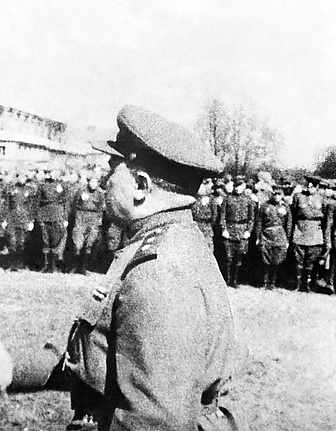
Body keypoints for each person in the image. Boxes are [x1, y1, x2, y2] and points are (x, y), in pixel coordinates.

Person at [63, 105, 241, 431]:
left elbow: (154, 421)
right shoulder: (164, 241)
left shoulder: (160, 274)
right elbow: (100, 360)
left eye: (113, 169)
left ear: (141, 186)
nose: (104, 181)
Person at [290, 175, 328, 292]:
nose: (310, 188)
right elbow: (293, 212)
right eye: (308, 186)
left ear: (317, 187)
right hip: (301, 228)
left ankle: (307, 285)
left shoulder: (321, 198)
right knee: (299, 257)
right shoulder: (298, 196)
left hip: (315, 230)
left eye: (313, 186)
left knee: (311, 258)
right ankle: (297, 284)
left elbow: (325, 216)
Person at [219, 176, 256, 287]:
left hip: (242, 230)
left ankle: (234, 280)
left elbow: (251, 218)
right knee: (228, 257)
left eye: (240, 186)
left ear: (244, 187)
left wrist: (248, 231)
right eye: (236, 186)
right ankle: (227, 280)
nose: (238, 188)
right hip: (229, 229)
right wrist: (224, 229)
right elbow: (222, 216)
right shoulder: (227, 199)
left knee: (239, 258)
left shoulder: (248, 200)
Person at [255, 186, 292, 289]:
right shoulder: (265, 206)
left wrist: (287, 238)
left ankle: (272, 282)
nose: (276, 196)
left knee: (277, 260)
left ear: (282, 196)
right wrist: (258, 237)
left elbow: (289, 223)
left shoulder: (285, 207)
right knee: (265, 259)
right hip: (266, 235)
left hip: (280, 236)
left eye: (279, 194)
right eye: (274, 194)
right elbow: (259, 222)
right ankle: (264, 282)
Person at [71, 175, 105, 274]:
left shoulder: (100, 193)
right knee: (78, 243)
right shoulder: (81, 190)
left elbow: (101, 208)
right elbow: (74, 204)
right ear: (88, 182)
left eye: (95, 182)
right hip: (81, 215)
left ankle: (83, 267)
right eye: (91, 182)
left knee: (89, 243)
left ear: (98, 183)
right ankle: (75, 266)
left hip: (93, 217)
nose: (93, 184)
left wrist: (99, 219)